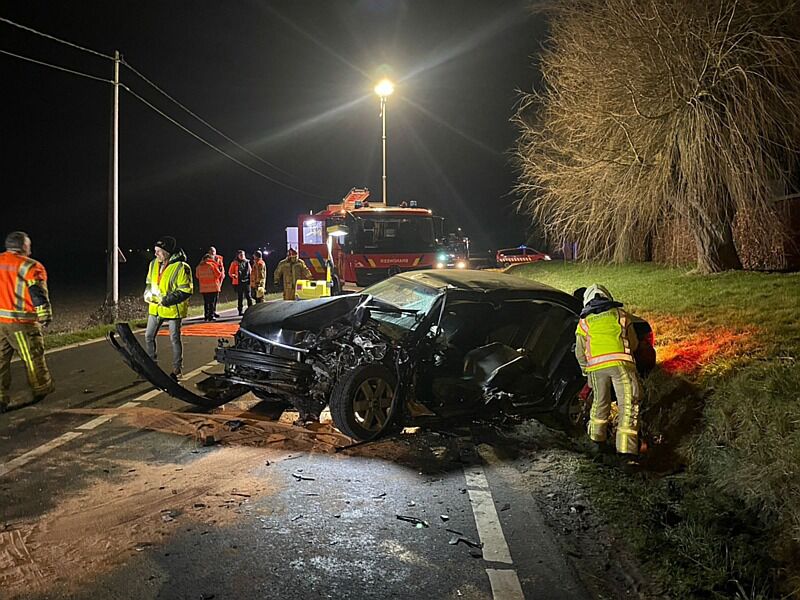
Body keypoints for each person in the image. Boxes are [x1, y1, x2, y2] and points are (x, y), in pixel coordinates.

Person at [575, 284, 642, 458]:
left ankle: (597, 443)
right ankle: (627, 453)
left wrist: (586, 372)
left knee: (600, 403)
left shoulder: (584, 322)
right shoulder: (621, 315)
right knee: (628, 406)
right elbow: (634, 343)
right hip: (621, 366)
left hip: (596, 369)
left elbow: (579, 352)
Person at [0, 231, 55, 412]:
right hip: (21, 323)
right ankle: (41, 388)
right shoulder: (31, 266)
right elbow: (37, 294)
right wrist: (44, 315)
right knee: (32, 357)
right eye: (28, 245)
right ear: (24, 246)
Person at [144, 236, 193, 381]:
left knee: (174, 339)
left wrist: (166, 300)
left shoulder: (181, 267)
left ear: (167, 252)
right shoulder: (153, 264)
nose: (156, 254)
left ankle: (177, 370)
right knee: (148, 336)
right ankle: (152, 367)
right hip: (155, 307)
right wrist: (147, 293)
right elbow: (149, 282)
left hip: (172, 309)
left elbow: (186, 290)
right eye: (155, 251)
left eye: (159, 251)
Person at [195, 253, 224, 321]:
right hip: (213, 287)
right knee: (212, 302)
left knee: (206, 302)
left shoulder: (199, 266)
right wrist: (220, 270)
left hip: (204, 288)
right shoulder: (212, 265)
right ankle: (211, 316)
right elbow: (218, 275)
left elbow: (197, 276)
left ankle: (206, 316)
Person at [229, 249, 252, 315]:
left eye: (243, 255)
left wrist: (251, 278)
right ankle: (240, 310)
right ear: (238, 255)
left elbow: (250, 271)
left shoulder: (247, 262)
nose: (242, 256)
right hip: (239, 282)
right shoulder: (234, 263)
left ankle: (250, 310)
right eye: (241, 255)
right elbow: (230, 272)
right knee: (240, 297)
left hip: (247, 281)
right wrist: (233, 275)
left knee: (248, 296)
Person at [208, 246, 224, 317]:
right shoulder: (206, 259)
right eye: (211, 251)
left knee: (215, 298)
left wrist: (222, 276)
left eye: (214, 251)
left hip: (217, 281)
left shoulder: (218, 259)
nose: (213, 253)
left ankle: (213, 311)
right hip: (210, 281)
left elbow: (221, 268)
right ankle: (209, 313)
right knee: (209, 299)